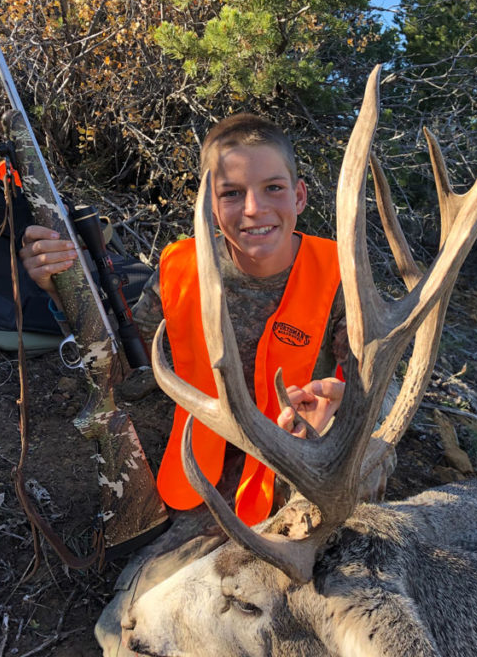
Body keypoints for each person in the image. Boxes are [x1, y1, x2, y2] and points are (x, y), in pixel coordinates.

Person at [19, 112, 349, 523]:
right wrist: (61, 289)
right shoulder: (181, 269)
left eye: (273, 188)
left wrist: (339, 409)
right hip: (196, 470)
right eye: (231, 193)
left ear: (299, 196)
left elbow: (377, 385)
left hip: (296, 465)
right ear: (209, 205)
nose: (254, 209)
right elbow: (123, 371)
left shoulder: (340, 274)